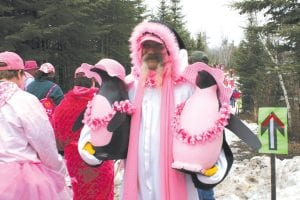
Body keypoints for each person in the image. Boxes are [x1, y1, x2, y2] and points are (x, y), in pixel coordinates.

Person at [122, 21, 200, 200]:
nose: (150, 51)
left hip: (176, 175)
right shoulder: (129, 85)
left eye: (156, 46)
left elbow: (203, 128)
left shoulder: (186, 87)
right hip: (138, 175)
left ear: (169, 51)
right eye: (146, 46)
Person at [0, 51, 71, 199]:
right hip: (21, 179)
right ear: (20, 73)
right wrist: (59, 170)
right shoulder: (24, 100)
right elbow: (44, 142)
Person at [52, 63, 114, 200]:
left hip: (74, 162)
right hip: (100, 160)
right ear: (93, 80)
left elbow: (57, 140)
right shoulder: (103, 103)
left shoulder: (62, 107)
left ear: (74, 81)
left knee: (80, 195)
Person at [188, 50, 216, 200]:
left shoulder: (208, 84)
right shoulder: (190, 82)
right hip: (191, 138)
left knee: (203, 182)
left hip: (204, 138)